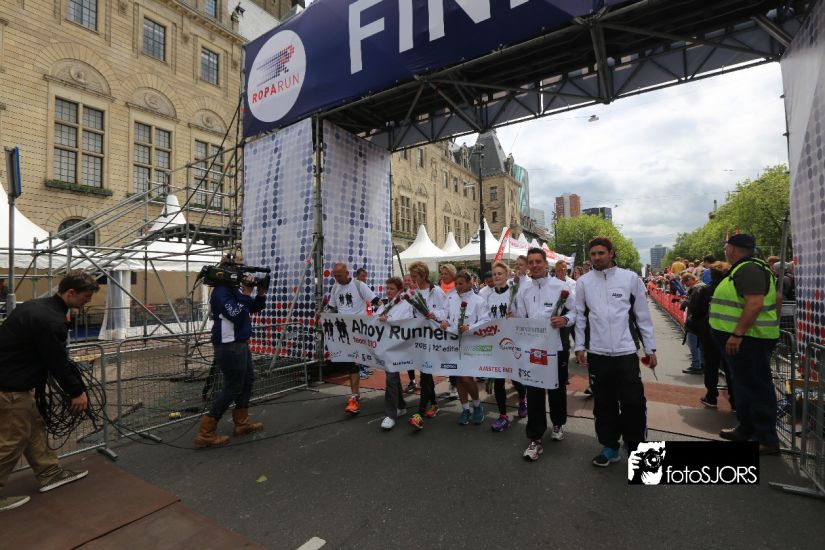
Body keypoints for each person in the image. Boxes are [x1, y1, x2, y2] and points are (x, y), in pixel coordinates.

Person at [0, 271, 99, 511]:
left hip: (13, 383)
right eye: (86, 296)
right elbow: (56, 361)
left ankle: (49, 472)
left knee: (34, 426)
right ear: (71, 292)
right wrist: (76, 391)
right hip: (10, 388)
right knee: (13, 439)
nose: (88, 301)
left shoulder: (35, 306)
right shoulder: (50, 320)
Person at [574, 237, 657, 468]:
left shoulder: (630, 278)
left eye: (601, 253)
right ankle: (610, 446)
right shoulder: (583, 282)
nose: (597, 257)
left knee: (634, 403)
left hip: (625, 351)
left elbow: (642, 316)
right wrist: (579, 346)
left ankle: (635, 446)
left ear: (611, 253)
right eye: (593, 254)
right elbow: (580, 316)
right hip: (598, 353)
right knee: (603, 404)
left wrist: (650, 348)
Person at [710, 234, 780, 455]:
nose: (725, 251)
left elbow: (755, 303)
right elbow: (775, 300)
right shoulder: (744, 268)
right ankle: (746, 428)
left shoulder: (749, 269)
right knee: (744, 386)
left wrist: (738, 333)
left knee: (756, 387)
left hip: (750, 340)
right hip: (745, 340)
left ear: (732, 249)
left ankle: (766, 438)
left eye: (726, 247)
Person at [195, 267, 268, 447]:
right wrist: (247, 293)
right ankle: (206, 431)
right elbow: (236, 315)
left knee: (247, 380)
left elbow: (251, 308)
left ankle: (242, 423)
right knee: (233, 386)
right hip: (229, 345)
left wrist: (260, 294)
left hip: (239, 343)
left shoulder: (232, 290)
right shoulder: (221, 292)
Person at [514, 249, 575, 460]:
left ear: (545, 263)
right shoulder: (523, 289)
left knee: (556, 388)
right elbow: (521, 317)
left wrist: (565, 320)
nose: (534, 265)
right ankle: (535, 437)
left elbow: (575, 312)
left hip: (556, 348)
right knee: (534, 391)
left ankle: (558, 423)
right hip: (532, 349)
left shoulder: (561, 286)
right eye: (531, 262)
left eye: (538, 261)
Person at [326, 263, 379, 415]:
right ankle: (354, 396)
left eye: (340, 276)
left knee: (374, 359)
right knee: (352, 364)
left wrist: (383, 314)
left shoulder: (359, 285)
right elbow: (332, 308)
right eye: (335, 276)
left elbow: (376, 301)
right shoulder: (335, 288)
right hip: (345, 332)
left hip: (360, 331)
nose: (337, 279)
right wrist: (322, 314)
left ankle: (395, 393)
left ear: (347, 273)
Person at [440, 271, 490, 425]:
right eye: (456, 284)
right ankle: (465, 409)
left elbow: (485, 321)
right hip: (453, 343)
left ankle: (477, 405)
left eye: (461, 283)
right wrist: (444, 321)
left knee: (467, 378)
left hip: (471, 344)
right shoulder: (450, 298)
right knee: (459, 378)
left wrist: (470, 327)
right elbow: (444, 314)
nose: (458, 286)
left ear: (470, 283)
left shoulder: (478, 301)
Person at [485, 262, 527, 432]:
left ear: (507, 275)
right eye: (494, 274)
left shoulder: (514, 293)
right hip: (496, 342)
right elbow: (487, 318)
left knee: (515, 377)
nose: (496, 276)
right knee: (499, 380)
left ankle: (523, 400)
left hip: (512, 341)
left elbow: (523, 316)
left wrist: (514, 317)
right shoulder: (489, 297)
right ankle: (503, 416)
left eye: (500, 273)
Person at [406, 262, 448, 431]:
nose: (412, 279)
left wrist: (434, 314)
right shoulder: (412, 292)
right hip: (419, 337)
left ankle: (420, 413)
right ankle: (434, 403)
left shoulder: (436, 291)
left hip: (432, 338)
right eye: (411, 276)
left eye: (414, 276)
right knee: (426, 372)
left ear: (423, 275)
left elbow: (446, 311)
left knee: (425, 373)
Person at [689, 261, 735, 409]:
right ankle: (735, 400)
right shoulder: (733, 291)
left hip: (709, 333)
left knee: (711, 364)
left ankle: (711, 396)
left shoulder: (704, 290)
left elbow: (694, 311)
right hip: (731, 333)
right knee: (730, 367)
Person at [376, 277, 413, 430]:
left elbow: (407, 324)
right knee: (393, 377)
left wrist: (388, 321)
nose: (389, 291)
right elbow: (374, 319)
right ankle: (401, 406)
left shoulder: (406, 306)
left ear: (399, 290)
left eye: (392, 289)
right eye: (388, 288)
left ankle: (390, 415)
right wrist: (380, 318)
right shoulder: (385, 304)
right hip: (386, 346)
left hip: (398, 347)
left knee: (391, 378)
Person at [439, 264, 459, 399]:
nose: (443, 276)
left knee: (454, 357)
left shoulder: (457, 288)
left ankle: (455, 385)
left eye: (446, 273)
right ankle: (453, 383)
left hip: (454, 328)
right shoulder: (438, 288)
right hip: (442, 327)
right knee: (446, 357)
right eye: (442, 273)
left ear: (452, 274)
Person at [680, 273, 704, 375]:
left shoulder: (697, 289)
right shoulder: (702, 286)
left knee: (692, 344)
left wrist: (685, 303)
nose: (686, 285)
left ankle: (696, 365)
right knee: (700, 345)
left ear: (690, 279)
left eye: (686, 282)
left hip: (694, 321)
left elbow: (695, 305)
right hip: (701, 321)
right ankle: (701, 364)